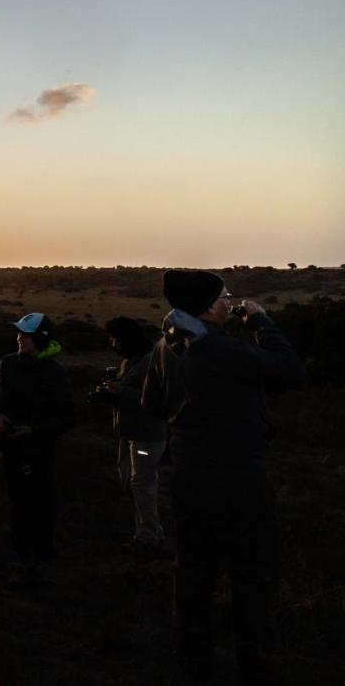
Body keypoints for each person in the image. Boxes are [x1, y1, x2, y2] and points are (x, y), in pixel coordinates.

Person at [142, 270, 302, 685]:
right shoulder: (225, 351)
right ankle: (254, 664)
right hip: (239, 478)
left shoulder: (164, 347)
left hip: (188, 476)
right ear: (210, 305)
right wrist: (262, 322)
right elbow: (288, 370)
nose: (228, 301)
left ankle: (191, 659)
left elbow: (152, 404)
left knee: (193, 571)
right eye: (223, 296)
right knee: (253, 572)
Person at [0, 312, 73, 585]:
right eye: (19, 333)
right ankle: (21, 554)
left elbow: (66, 416)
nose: (20, 338)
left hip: (38, 448)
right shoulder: (7, 364)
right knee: (17, 499)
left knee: (39, 500)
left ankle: (40, 555)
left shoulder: (55, 373)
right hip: (9, 445)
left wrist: (33, 430)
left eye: (26, 335)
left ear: (41, 339)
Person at [97, 316, 166, 556]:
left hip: (146, 435)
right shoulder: (130, 361)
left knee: (142, 484)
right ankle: (147, 531)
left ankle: (149, 536)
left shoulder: (150, 361)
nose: (112, 344)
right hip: (128, 433)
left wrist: (119, 390)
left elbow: (155, 398)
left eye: (115, 339)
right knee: (130, 482)